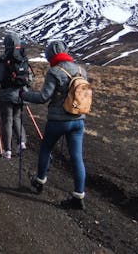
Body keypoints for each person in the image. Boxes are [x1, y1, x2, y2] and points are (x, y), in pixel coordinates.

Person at [21, 40, 87, 210]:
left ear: (51, 54)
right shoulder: (81, 70)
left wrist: (24, 95)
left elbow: (43, 97)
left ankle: (40, 180)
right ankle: (78, 196)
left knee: (46, 148)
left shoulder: (55, 71)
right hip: (78, 120)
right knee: (77, 158)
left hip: (58, 121)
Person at [0, 32, 28, 159]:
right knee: (17, 118)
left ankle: (7, 151)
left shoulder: (4, 58)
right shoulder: (23, 58)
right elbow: (29, 77)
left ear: (6, 44)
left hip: (6, 95)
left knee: (7, 121)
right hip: (21, 93)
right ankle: (21, 142)